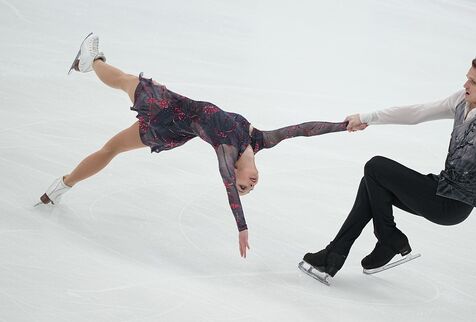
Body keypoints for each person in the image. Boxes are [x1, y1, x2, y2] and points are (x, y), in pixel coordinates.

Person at [37, 33, 348, 258]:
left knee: (123, 89)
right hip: (175, 115)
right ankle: (59, 187)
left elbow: (228, 186)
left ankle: (91, 60)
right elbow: (303, 130)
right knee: (114, 141)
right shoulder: (259, 141)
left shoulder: (228, 151)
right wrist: (344, 126)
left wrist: (242, 227)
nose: (247, 186)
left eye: (244, 187)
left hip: (165, 115)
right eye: (249, 188)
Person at [301, 55, 476, 282]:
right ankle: (336, 255)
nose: (465, 84)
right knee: (371, 183)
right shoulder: (463, 100)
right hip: (441, 188)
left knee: (375, 167)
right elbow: (418, 112)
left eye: (473, 81)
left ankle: (388, 238)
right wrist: (368, 117)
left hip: (451, 205)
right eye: (467, 78)